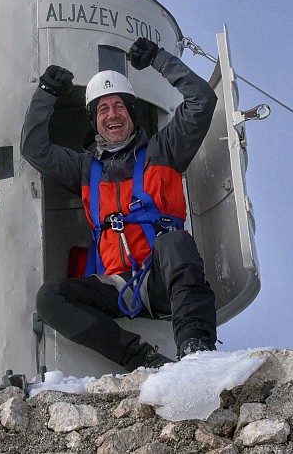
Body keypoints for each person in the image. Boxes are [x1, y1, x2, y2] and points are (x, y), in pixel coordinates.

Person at [21, 37, 219, 372]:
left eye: (119, 107)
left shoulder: (164, 150)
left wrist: (158, 59)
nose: (112, 114)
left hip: (163, 280)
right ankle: (142, 359)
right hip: (116, 286)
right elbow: (34, 149)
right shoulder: (85, 169)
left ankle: (195, 348)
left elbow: (202, 99)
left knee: (174, 241)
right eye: (102, 109)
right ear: (94, 121)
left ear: (131, 114)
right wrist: (46, 93)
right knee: (49, 297)